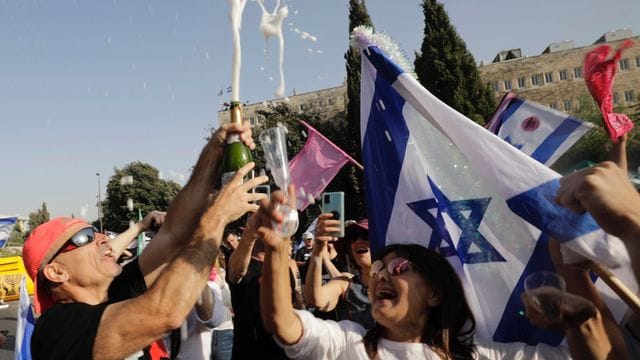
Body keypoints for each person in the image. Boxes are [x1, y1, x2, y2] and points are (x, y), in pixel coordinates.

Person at [257, 187, 625, 359]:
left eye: (398, 268)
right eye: (378, 270)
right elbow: (284, 323)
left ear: (434, 293)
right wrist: (278, 248)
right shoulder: (348, 344)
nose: (380, 275)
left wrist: (581, 316)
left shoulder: (480, 357)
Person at [22, 122, 268, 360]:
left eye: (96, 231)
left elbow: (173, 232)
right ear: (56, 272)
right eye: (84, 237)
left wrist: (214, 150)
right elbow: (165, 311)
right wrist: (218, 216)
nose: (101, 238)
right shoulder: (55, 329)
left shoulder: (117, 291)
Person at [304, 215, 374, 329]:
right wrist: (318, 251)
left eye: (366, 235)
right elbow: (315, 299)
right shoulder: (346, 283)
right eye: (353, 237)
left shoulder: (395, 283)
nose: (358, 241)